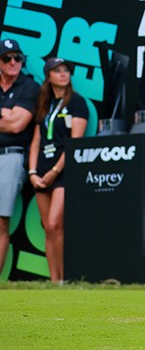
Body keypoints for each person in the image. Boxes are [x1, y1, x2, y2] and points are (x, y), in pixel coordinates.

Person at [26, 57, 87, 283]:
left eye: (66, 71)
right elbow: (36, 141)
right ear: (48, 76)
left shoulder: (77, 102)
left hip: (63, 170)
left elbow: (75, 142)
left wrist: (55, 170)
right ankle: (54, 281)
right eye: (57, 70)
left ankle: (63, 280)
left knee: (55, 223)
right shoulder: (44, 103)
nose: (63, 74)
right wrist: (32, 172)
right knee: (48, 228)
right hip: (41, 171)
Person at [0, 39, 40, 276]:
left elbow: (17, 125)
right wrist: (7, 115)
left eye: (18, 58)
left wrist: (9, 117)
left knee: (1, 221)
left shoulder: (29, 86)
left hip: (10, 156)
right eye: (7, 58)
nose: (14, 62)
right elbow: (10, 119)